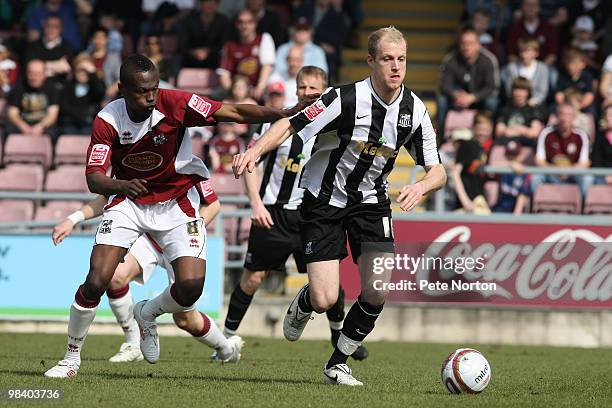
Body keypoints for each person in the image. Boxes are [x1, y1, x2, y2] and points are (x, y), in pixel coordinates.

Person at [43, 53, 310, 378]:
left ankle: (148, 313)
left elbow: (234, 111)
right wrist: (122, 185)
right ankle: (71, 359)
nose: (151, 96)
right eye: (142, 91)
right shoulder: (107, 120)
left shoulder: (175, 103)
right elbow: (93, 177)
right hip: (129, 202)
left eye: (154, 88)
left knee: (190, 289)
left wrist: (284, 115)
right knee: (97, 279)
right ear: (121, 89)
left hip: (176, 205)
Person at [233, 27, 446, 386]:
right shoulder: (342, 99)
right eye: (387, 59)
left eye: (402, 59)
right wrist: (255, 150)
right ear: (371, 61)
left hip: (371, 203)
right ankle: (306, 302)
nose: (396, 67)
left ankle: (337, 363)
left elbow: (437, 169)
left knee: (377, 289)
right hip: (324, 201)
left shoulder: (415, 110)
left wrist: (422, 185)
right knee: (325, 297)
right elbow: (289, 123)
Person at [220, 66, 368, 362]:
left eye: (313, 88)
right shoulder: (279, 124)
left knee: (329, 281)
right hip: (273, 213)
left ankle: (338, 334)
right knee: (253, 278)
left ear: (325, 90)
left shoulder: (336, 125)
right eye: (302, 88)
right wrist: (256, 203)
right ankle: (224, 342)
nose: (307, 93)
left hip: (314, 213)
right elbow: (253, 161)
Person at [50, 179, 239, 363]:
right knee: (115, 277)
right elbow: (108, 197)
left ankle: (226, 348)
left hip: (178, 237)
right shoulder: (134, 156)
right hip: (149, 239)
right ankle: (133, 343)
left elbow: (213, 204)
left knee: (185, 319)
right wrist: (72, 219)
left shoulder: (182, 158)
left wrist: (182, 237)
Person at [437, 26, 499, 137]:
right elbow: (444, 84)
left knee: (492, 102)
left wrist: (473, 97)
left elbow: (492, 86)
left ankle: (491, 138)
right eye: (463, 43)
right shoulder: (451, 59)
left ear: (478, 45)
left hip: (479, 98)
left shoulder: (488, 60)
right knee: (441, 100)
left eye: (470, 43)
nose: (466, 47)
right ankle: (442, 138)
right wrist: (455, 94)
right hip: (457, 99)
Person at [531, 103, 592, 195]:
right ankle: (534, 207)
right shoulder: (546, 133)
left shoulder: (581, 135)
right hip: (550, 172)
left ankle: (582, 207)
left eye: (569, 115)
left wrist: (568, 171)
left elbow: (584, 163)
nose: (565, 118)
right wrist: (555, 170)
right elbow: (539, 160)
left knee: (587, 178)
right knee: (535, 177)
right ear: (557, 116)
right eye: (562, 114)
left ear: (574, 118)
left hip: (572, 174)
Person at [217, 9, 276, 100]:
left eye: (249, 22)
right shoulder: (230, 45)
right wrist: (234, 93)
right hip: (237, 89)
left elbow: (267, 66)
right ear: (236, 25)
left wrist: (259, 88)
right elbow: (223, 74)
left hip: (260, 90)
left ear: (255, 23)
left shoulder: (264, 39)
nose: (245, 26)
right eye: (241, 22)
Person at [6, 59, 60, 139]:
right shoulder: (19, 87)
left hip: (43, 125)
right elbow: (12, 113)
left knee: (53, 133)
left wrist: (40, 126)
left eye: (37, 74)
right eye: (31, 73)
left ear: (45, 74)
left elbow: (52, 115)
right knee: (9, 131)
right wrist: (22, 126)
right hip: (22, 124)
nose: (34, 77)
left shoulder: (52, 88)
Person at [60, 54, 106, 135]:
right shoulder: (68, 85)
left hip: (89, 124)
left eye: (85, 71)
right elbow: (64, 106)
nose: (82, 73)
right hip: (70, 124)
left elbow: (100, 93)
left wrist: (93, 73)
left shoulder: (95, 85)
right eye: (79, 70)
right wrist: (80, 115)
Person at [495, 77, 546, 147]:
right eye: (516, 89)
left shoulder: (533, 110)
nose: (518, 93)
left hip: (526, 144)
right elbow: (499, 131)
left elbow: (534, 132)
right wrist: (523, 130)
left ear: (528, 92)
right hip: (506, 143)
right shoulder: (505, 108)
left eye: (522, 90)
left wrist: (518, 129)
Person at [180, 0, 230, 69]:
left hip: (215, 62)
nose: (210, 5)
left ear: (217, 5)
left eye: (213, 3)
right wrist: (194, 52)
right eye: (207, 2)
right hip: (191, 62)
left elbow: (225, 45)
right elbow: (182, 45)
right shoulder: (189, 21)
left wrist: (208, 51)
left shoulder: (223, 21)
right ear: (201, 3)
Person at [501, 37, 550, 107]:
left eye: (528, 51)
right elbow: (509, 89)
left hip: (535, 105)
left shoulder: (542, 69)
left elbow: (542, 92)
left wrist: (531, 102)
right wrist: (519, 101)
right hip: (515, 104)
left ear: (536, 53)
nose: (524, 55)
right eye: (522, 51)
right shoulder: (512, 68)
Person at [506, 0, 559, 65]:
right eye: (528, 5)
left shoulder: (548, 28)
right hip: (519, 68)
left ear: (539, 7)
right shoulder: (514, 28)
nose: (531, 8)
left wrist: (539, 70)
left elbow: (552, 55)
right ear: (522, 7)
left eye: (534, 5)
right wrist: (523, 68)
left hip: (544, 68)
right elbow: (511, 55)